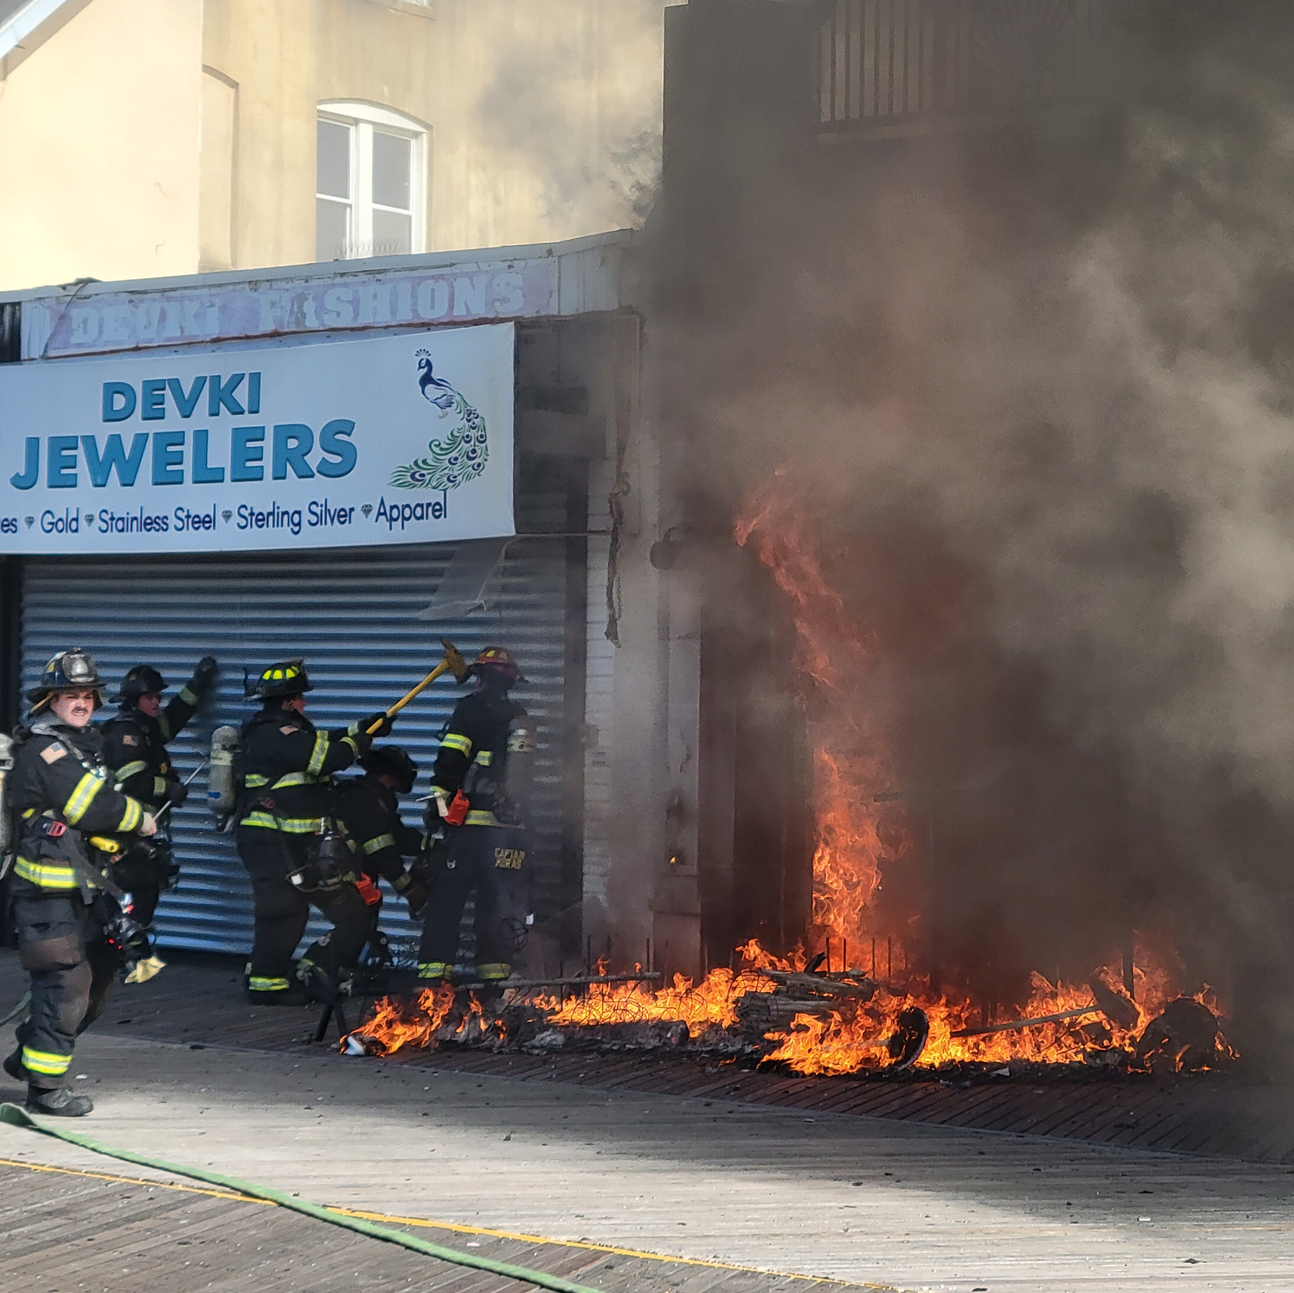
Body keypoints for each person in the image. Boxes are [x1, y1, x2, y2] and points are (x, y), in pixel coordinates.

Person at [3, 649, 157, 1116]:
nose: (81, 702)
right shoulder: (46, 750)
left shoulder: (80, 745)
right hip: (45, 896)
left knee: (99, 979)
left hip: (83, 891)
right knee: (66, 986)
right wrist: (141, 820)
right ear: (50, 699)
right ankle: (46, 1090)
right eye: (70, 694)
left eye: (87, 694)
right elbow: (92, 805)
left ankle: (30, 1058)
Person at [235, 659, 392, 1004]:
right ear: (289, 700)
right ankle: (267, 986)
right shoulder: (275, 733)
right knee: (284, 910)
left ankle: (313, 970)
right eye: (301, 697)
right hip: (270, 840)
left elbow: (327, 741)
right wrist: (363, 741)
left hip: (297, 844)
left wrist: (365, 727)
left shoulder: (293, 732)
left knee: (348, 911)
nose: (305, 702)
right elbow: (325, 759)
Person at [416, 647, 535, 987]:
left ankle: (433, 986)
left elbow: (451, 761)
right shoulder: (519, 715)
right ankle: (495, 983)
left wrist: (438, 807)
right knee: (496, 907)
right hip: (509, 833)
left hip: (470, 831)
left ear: (481, 678)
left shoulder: (470, 709)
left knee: (445, 905)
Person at [297, 745, 428, 997]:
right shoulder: (366, 800)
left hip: (347, 872)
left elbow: (397, 836)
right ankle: (312, 969)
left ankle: (342, 972)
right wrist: (410, 889)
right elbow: (382, 851)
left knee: (365, 914)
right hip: (334, 873)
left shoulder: (372, 798)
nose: (396, 790)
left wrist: (429, 844)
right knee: (355, 920)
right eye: (396, 783)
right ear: (388, 777)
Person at [100, 656, 218, 925]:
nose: (156, 702)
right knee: (134, 899)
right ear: (133, 699)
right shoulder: (126, 734)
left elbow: (174, 717)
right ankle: (116, 957)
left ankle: (129, 956)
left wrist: (197, 684)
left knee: (145, 896)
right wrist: (169, 789)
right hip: (126, 833)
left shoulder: (146, 727)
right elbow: (134, 782)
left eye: (157, 696)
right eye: (149, 697)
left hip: (144, 831)